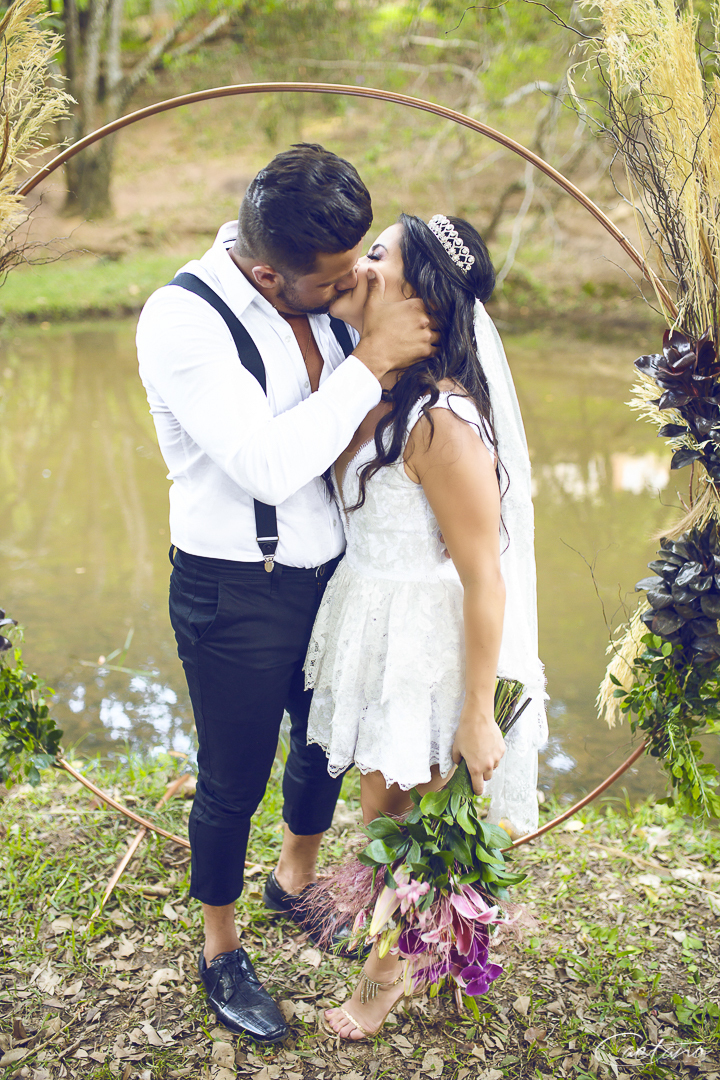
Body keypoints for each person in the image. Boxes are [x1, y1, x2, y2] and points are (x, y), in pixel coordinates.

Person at [136, 145, 437, 1043]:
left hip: (337, 576)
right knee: (232, 779)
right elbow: (267, 465)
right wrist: (371, 359)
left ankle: (293, 879)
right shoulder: (182, 320)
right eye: (337, 280)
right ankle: (221, 949)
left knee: (324, 748)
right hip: (237, 587)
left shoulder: (323, 294)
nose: (355, 288)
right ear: (269, 273)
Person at [302, 213, 547, 1040]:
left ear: (420, 295)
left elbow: (484, 575)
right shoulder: (370, 385)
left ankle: (386, 976)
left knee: (417, 820)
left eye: (378, 254)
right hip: (373, 621)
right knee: (381, 807)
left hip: (427, 641)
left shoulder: (442, 421)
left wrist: (478, 712)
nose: (359, 264)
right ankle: (416, 942)